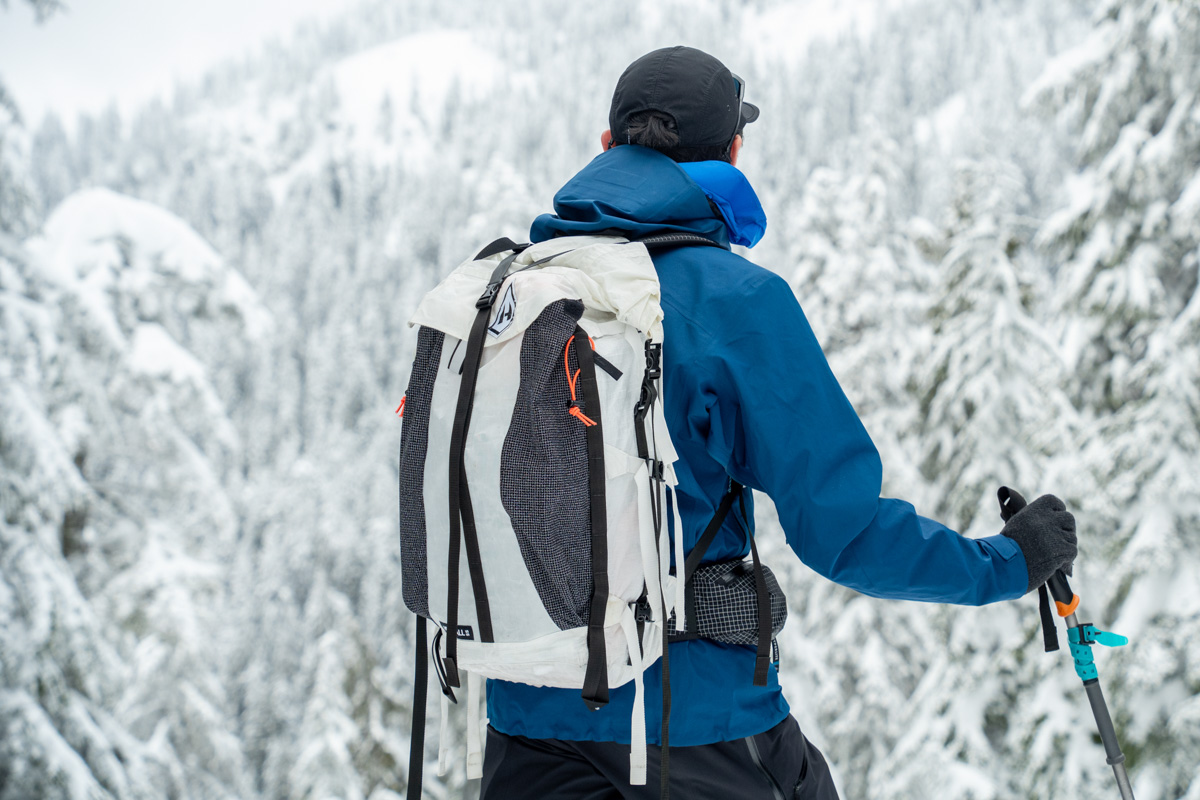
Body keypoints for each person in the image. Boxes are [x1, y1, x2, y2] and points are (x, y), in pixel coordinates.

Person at [478, 46, 1078, 800]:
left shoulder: (511, 293)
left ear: (607, 149)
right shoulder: (733, 303)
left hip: (522, 724)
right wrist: (1009, 564)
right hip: (694, 728)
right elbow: (845, 534)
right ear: (733, 152)